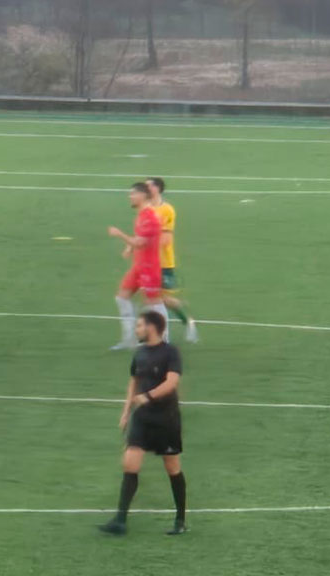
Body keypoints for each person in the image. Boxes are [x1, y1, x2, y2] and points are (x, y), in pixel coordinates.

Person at [101, 310, 188, 536]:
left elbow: (172, 382)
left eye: (139, 325)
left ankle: (180, 520)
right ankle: (120, 521)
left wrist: (148, 396)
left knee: (173, 468)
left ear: (151, 327)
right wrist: (125, 412)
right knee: (130, 464)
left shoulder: (171, 352)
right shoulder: (139, 354)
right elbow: (133, 383)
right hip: (142, 418)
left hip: (166, 419)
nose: (136, 329)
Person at [106, 183, 168, 350]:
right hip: (138, 266)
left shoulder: (150, 218)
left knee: (153, 304)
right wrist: (129, 247)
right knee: (122, 297)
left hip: (149, 268)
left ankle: (163, 342)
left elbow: (140, 242)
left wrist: (119, 234)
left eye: (133, 194)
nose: (130, 196)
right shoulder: (141, 215)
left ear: (142, 195)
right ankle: (130, 340)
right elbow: (138, 237)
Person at [147, 177, 199, 343]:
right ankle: (159, 334)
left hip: (164, 262)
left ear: (157, 189)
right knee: (154, 298)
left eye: (148, 186)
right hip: (149, 262)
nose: (146, 188)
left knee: (162, 299)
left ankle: (186, 322)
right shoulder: (145, 209)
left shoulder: (167, 210)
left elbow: (166, 239)